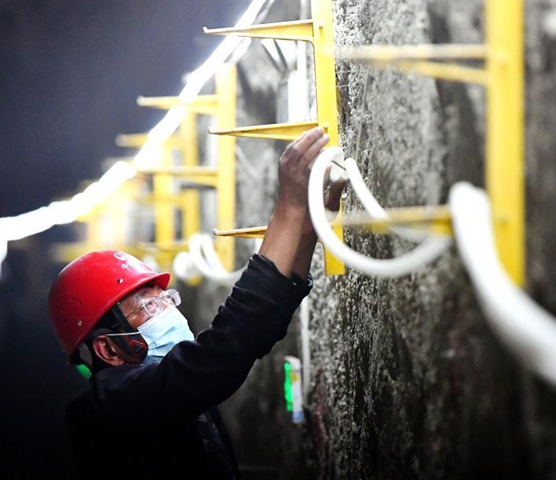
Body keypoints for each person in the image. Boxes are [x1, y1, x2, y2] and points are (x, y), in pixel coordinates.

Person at [47, 127, 346, 479]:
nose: (169, 312)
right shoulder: (113, 406)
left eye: (166, 299)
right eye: (148, 306)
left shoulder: (155, 390)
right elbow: (223, 353)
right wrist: (289, 210)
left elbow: (260, 328)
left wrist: (306, 231)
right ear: (109, 351)